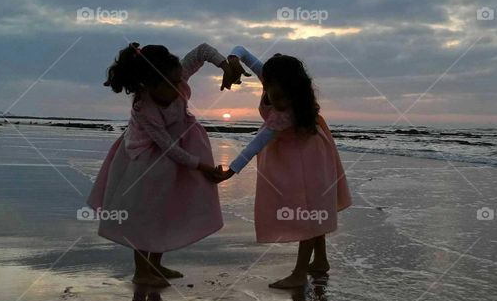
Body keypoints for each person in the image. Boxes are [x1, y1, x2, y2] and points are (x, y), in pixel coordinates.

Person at [88, 42, 243, 287]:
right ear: (148, 85)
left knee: (166, 210)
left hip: (176, 155)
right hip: (145, 161)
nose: (177, 88)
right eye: (169, 85)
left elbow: (203, 50)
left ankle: (156, 264)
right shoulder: (144, 107)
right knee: (143, 214)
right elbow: (166, 146)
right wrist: (201, 166)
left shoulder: (176, 73)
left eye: (177, 81)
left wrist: (225, 65)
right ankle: (141, 271)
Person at [213, 46, 351, 288]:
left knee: (308, 210)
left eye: (280, 97)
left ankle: (299, 273)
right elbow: (243, 51)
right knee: (313, 207)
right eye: (271, 94)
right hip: (301, 153)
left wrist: (231, 170)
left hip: (307, 159)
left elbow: (257, 143)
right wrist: (233, 60)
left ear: (294, 93)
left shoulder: (285, 113)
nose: (274, 101)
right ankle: (320, 260)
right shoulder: (273, 80)